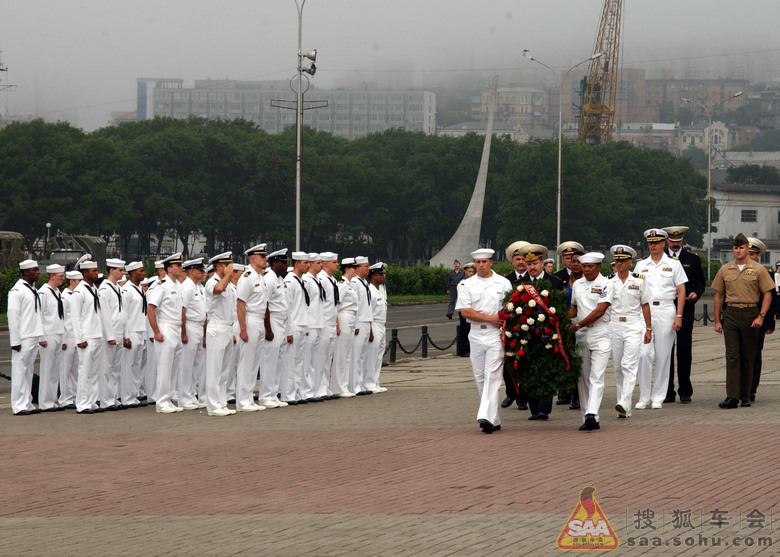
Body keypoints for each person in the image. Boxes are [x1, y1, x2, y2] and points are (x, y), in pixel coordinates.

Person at [712, 233, 774, 408]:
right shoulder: (725, 269)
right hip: (731, 313)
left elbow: (767, 294)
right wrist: (717, 320)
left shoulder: (758, 270)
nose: (738, 251)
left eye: (741, 248)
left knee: (748, 356)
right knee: (732, 356)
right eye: (735, 248)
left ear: (747, 249)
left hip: (750, 313)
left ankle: (745, 395)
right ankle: (732, 396)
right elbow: (718, 295)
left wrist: (761, 316)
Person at [455, 248, 512, 434]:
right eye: (477, 262)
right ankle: (493, 419)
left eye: (484, 262)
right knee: (480, 377)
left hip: (495, 335)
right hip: (475, 334)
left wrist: (496, 321)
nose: (480, 265)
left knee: (492, 375)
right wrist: (490, 318)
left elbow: (509, 308)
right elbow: (465, 311)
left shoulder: (503, 283)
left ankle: (485, 416)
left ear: (491, 263)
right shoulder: (466, 285)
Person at [635, 229, 687, 410]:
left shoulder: (673, 264)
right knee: (643, 354)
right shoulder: (641, 265)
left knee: (663, 355)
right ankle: (643, 396)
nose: (653, 245)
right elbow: (635, 290)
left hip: (666, 309)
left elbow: (681, 291)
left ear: (664, 243)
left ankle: (658, 396)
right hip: (645, 311)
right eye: (650, 243)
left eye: (657, 242)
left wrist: (679, 316)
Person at [515, 244, 565, 421]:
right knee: (527, 371)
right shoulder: (519, 284)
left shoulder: (555, 282)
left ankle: (544, 408)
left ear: (542, 262)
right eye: (528, 264)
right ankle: (533, 409)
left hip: (547, 335)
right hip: (526, 335)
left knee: (545, 370)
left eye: (535, 263)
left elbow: (561, 309)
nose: (531, 267)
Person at [569, 252, 613, 431]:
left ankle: (592, 412)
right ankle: (588, 416)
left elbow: (600, 310)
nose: (586, 269)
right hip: (581, 335)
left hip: (600, 332)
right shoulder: (578, 284)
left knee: (596, 375)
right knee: (583, 377)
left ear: (599, 267)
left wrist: (578, 324)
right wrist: (554, 318)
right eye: (584, 266)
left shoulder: (606, 284)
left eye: (590, 266)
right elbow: (574, 309)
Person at [662, 226, 706, 404]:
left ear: (682, 241)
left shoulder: (692, 259)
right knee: (665, 351)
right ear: (666, 241)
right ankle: (667, 391)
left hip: (686, 310)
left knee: (684, 350)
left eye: (678, 241)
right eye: (672, 241)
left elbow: (700, 283)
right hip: (664, 309)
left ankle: (685, 390)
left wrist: (696, 293)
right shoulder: (660, 258)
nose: (674, 243)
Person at [608, 245, 652, 418]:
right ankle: (623, 406)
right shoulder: (609, 281)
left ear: (629, 261)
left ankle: (625, 402)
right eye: (617, 260)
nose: (619, 263)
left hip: (633, 325)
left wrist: (648, 329)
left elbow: (645, 304)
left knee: (629, 365)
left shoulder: (639, 280)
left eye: (622, 260)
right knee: (618, 367)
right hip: (614, 325)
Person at [147, 252, 185, 414]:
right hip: (166, 326)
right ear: (169, 269)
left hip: (176, 327)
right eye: (178, 266)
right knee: (164, 366)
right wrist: (156, 331)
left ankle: (168, 398)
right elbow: (150, 308)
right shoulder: (161, 286)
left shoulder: (177, 286)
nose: (181, 268)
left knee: (173, 367)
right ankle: (161, 401)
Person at [235, 244, 271, 412]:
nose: (265, 259)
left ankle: (248, 397)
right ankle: (242, 400)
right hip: (250, 320)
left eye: (265, 256)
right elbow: (240, 304)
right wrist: (243, 329)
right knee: (246, 362)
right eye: (262, 256)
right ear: (253, 259)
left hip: (259, 320)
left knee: (254, 362)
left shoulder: (260, 277)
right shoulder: (247, 277)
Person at [7, 260, 45, 415]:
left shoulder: (32, 289)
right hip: (23, 337)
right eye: (34, 270)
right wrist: (15, 341)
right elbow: (13, 316)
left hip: (33, 334)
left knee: (28, 371)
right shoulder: (17, 291)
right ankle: (18, 405)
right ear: (25, 272)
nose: (37, 272)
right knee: (19, 372)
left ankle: (27, 402)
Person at [204, 252, 237, 416]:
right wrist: (229, 276)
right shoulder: (213, 282)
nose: (230, 267)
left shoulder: (229, 285)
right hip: (216, 327)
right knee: (214, 370)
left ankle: (221, 402)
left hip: (227, 327)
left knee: (224, 371)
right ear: (219, 267)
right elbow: (218, 289)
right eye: (227, 265)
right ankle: (213, 406)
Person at [71, 256, 105, 414]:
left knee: (94, 371)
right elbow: (75, 317)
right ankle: (82, 403)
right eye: (94, 271)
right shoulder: (79, 291)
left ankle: (92, 401)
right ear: (85, 273)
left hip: (96, 334)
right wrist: (80, 338)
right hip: (86, 337)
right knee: (85, 371)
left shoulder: (93, 289)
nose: (97, 273)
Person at [258, 248, 291, 408]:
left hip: (282, 322)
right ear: (275, 263)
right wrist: (268, 329)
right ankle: (265, 395)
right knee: (269, 361)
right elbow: (265, 306)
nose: (285, 265)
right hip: (273, 322)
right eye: (283, 263)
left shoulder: (280, 280)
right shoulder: (269, 279)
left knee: (279, 360)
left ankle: (274, 393)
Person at [555, 241, 585, 409]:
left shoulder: (588, 276)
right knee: (565, 357)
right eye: (569, 259)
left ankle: (578, 395)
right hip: (566, 323)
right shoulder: (559, 277)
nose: (573, 263)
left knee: (580, 359)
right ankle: (565, 391)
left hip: (584, 323)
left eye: (576, 260)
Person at [747, 238, 778, 401]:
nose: (749, 256)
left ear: (758, 255)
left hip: (759, 317)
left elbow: (771, 298)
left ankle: (752, 389)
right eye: (747, 253)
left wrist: (770, 322)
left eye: (752, 254)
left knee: (755, 354)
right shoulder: (736, 269)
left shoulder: (766, 273)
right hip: (740, 317)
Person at [500, 240, 530, 410]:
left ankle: (522, 398)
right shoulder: (506, 281)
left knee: (524, 364)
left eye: (523, 259)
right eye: (517, 259)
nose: (520, 262)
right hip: (510, 327)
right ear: (512, 262)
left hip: (528, 326)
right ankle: (511, 393)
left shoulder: (531, 279)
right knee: (508, 365)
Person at [282, 252, 312, 404]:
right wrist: (288, 330)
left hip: (302, 324)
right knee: (290, 362)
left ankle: (298, 392)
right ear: (297, 263)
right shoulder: (290, 281)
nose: (308, 265)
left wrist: (306, 327)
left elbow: (303, 307)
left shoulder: (302, 281)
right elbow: (287, 308)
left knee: (300, 361)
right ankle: (288, 394)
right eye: (305, 263)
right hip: (293, 325)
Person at [178, 258, 207, 410]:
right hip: (189, 326)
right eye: (200, 270)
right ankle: (184, 398)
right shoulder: (187, 287)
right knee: (186, 364)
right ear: (192, 271)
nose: (203, 273)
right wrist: (183, 332)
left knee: (196, 364)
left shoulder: (199, 287)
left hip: (198, 327)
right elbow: (182, 311)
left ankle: (191, 395)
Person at [98, 258, 127, 410]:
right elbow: (105, 315)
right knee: (106, 368)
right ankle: (105, 399)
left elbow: (122, 313)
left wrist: (124, 334)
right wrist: (110, 336)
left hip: (119, 331)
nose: (122, 273)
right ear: (111, 270)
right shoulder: (105, 289)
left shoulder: (117, 288)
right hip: (110, 333)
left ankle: (113, 397)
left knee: (116, 368)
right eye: (120, 270)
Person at [38, 264, 66, 411]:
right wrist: (41, 336)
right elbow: (39, 316)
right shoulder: (43, 293)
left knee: (55, 371)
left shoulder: (58, 292)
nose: (63, 278)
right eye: (60, 276)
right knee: (47, 370)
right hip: (48, 334)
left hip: (58, 333)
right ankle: (44, 402)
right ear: (51, 276)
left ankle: (51, 400)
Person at [120, 261, 148, 408]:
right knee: (128, 366)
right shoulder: (127, 290)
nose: (143, 273)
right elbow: (124, 315)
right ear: (132, 273)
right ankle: (126, 397)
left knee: (137, 366)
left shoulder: (139, 289)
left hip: (141, 331)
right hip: (131, 332)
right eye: (141, 271)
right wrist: (126, 335)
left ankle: (134, 395)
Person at [331, 257, 359, 397]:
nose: (356, 269)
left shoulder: (349, 284)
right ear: (347, 269)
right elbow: (336, 304)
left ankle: (344, 386)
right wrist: (336, 322)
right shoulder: (342, 284)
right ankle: (338, 387)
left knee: (347, 354)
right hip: (344, 318)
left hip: (351, 318)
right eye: (354, 268)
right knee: (341, 354)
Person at [316, 252, 340, 399]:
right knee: (320, 357)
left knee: (327, 358)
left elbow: (334, 304)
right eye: (334, 262)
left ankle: (325, 387)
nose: (337, 264)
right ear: (326, 264)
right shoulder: (321, 280)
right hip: (324, 322)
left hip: (331, 321)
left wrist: (336, 322)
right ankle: (318, 389)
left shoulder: (333, 280)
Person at [350, 256, 373, 396]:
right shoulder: (355, 282)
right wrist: (356, 324)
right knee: (356, 356)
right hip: (359, 322)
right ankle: (354, 385)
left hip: (366, 321)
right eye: (366, 266)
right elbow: (354, 305)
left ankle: (361, 383)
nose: (368, 269)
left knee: (362, 356)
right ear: (358, 268)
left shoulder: (363, 282)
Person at [59, 270, 82, 410]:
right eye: (78, 281)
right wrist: (63, 339)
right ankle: (65, 398)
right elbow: (62, 319)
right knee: (65, 369)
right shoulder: (65, 296)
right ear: (72, 281)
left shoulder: (76, 295)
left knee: (75, 369)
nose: (80, 284)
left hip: (76, 336)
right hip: (67, 336)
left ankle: (73, 396)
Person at [365, 262, 388, 393]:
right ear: (373, 276)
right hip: (373, 324)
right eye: (381, 274)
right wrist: (370, 330)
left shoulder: (380, 290)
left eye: (384, 273)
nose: (383, 276)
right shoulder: (370, 291)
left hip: (381, 325)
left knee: (379, 356)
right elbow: (368, 312)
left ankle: (375, 381)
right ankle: (369, 383)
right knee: (371, 356)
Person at [456, 263, 476, 357]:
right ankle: (463, 350)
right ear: (465, 273)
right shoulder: (462, 284)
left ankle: (470, 349)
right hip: (464, 310)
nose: (471, 273)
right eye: (469, 272)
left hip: (473, 310)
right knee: (464, 330)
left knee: (471, 330)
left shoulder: (475, 283)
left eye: (472, 271)